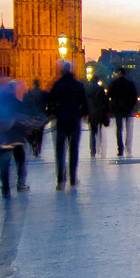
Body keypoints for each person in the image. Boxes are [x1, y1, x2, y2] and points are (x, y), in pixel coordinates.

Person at [47, 61, 88, 189]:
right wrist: (80, 114)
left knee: (60, 151)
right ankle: (73, 178)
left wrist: (54, 113)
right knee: (73, 150)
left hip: (61, 121)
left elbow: (50, 103)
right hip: (74, 121)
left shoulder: (57, 85)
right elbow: (85, 105)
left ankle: (60, 180)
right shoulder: (79, 85)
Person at [0, 79, 31, 196]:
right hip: (17, 138)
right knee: (20, 161)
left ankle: (5, 187)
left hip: (3, 138)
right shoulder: (18, 103)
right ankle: (20, 184)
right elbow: (24, 119)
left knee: (4, 163)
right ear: (14, 90)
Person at [107, 67, 138, 157]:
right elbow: (134, 96)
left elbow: (109, 96)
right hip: (127, 109)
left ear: (119, 73)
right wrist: (131, 106)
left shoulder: (114, 84)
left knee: (119, 129)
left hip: (117, 109)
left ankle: (120, 149)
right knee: (128, 129)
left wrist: (111, 107)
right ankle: (128, 147)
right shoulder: (129, 84)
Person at [86, 76, 110, 158]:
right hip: (100, 113)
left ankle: (92, 150)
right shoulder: (101, 90)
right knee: (99, 131)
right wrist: (107, 111)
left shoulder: (89, 90)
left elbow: (86, 102)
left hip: (92, 113)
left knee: (92, 132)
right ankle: (99, 146)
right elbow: (105, 101)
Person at [24, 79, 49, 156]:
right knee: (40, 133)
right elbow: (49, 103)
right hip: (41, 116)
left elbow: (25, 105)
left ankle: (33, 143)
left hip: (31, 116)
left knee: (31, 132)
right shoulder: (44, 93)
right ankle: (38, 147)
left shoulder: (28, 93)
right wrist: (48, 113)